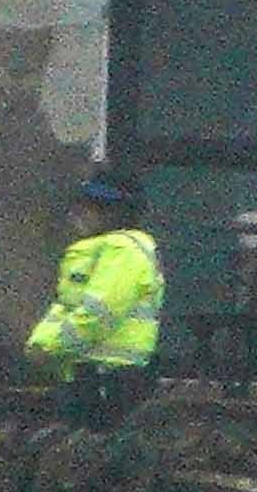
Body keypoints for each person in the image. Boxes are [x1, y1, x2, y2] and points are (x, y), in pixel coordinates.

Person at [24, 171, 162, 428]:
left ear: (118, 212)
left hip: (113, 381)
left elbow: (98, 313)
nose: (82, 212)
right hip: (87, 376)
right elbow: (65, 307)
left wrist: (48, 348)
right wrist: (40, 344)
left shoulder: (125, 251)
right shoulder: (96, 251)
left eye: (94, 206)